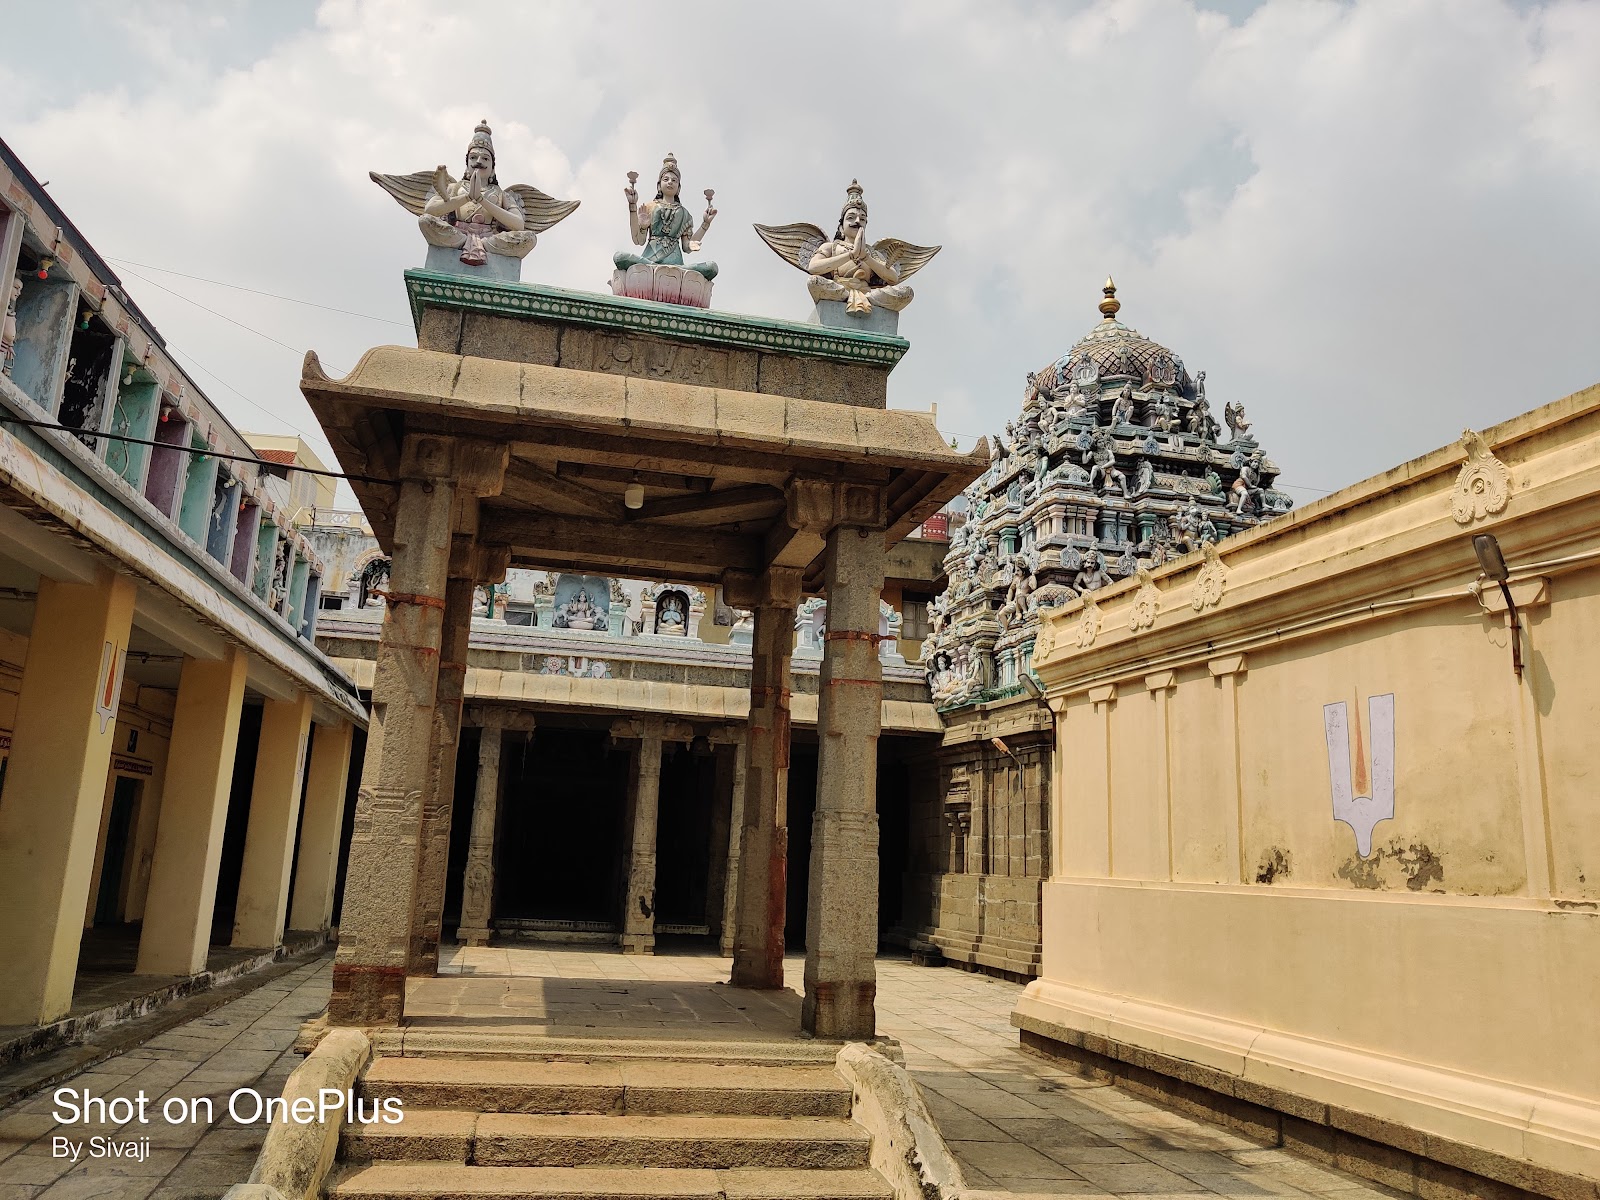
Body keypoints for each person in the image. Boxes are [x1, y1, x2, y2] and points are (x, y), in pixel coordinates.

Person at [615, 154, 718, 279]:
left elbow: (687, 247)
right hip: (649, 263)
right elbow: (639, 240)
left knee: (711, 267)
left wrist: (705, 225)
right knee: (620, 257)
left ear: (678, 188)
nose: (670, 182)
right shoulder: (649, 207)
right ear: (659, 185)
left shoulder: (685, 214)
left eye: (674, 180)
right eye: (666, 179)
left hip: (676, 267)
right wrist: (634, 208)